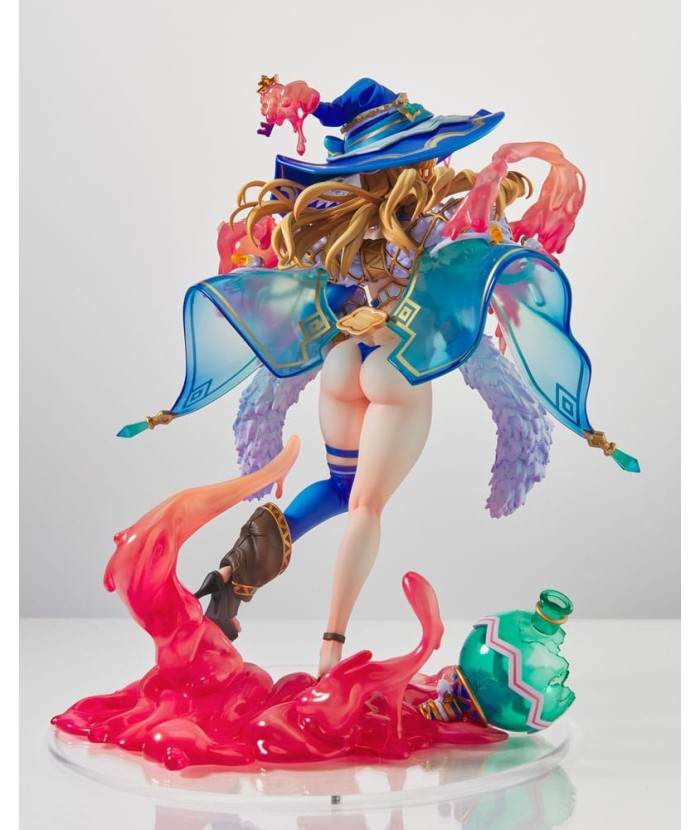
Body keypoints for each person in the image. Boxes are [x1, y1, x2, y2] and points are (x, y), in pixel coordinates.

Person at [119, 77, 638, 676]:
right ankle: (331, 647)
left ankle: (232, 575)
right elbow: (468, 286)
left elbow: (316, 302)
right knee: (365, 506)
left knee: (340, 491)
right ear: (414, 160)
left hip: (344, 361)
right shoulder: (432, 227)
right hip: (397, 366)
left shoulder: (339, 232)